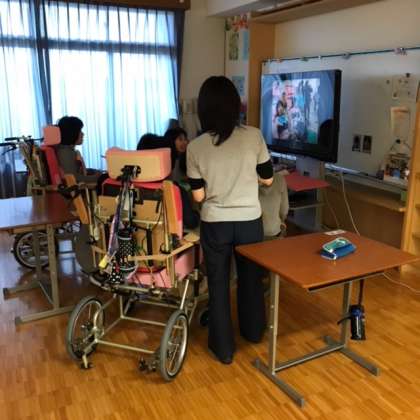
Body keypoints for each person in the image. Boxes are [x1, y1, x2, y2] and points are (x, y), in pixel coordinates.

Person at [187, 76, 273, 364]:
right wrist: (248, 180)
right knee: (250, 279)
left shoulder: (195, 147)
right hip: (249, 221)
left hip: (215, 224)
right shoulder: (254, 136)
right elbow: (268, 179)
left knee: (219, 283)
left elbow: (199, 196)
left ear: (203, 109)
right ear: (236, 105)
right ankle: (254, 332)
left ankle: (223, 348)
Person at [137, 132, 199, 230]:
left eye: (185, 139)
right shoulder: (173, 189)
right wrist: (197, 214)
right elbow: (190, 221)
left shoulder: (130, 186)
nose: (185, 142)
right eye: (180, 139)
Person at [56, 116, 104, 185]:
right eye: (80, 131)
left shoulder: (68, 150)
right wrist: (97, 177)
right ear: (72, 133)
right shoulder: (65, 153)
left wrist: (93, 171)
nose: (83, 134)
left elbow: (78, 171)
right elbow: (75, 178)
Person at [259, 171, 289, 240]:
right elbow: (284, 209)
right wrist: (282, 220)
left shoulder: (249, 180)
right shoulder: (280, 178)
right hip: (275, 229)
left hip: (255, 231)